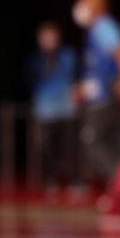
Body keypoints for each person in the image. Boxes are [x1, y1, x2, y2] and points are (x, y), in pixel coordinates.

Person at [71, 0, 120, 187]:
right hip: (101, 94)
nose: (78, 7)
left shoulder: (103, 26)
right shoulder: (95, 30)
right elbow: (98, 68)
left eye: (82, 1)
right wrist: (82, 87)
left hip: (108, 95)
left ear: (96, 4)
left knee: (92, 141)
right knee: (115, 142)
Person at [28, 21, 78, 193]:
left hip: (66, 108)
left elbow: (74, 78)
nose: (48, 41)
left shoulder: (68, 56)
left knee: (69, 147)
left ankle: (74, 180)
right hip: (45, 110)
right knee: (46, 147)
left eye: (52, 37)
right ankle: (50, 179)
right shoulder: (36, 60)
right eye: (44, 38)